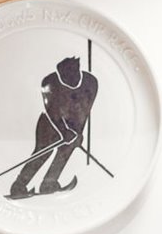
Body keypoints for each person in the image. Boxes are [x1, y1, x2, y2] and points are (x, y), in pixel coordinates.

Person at [8, 54, 99, 199]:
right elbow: (52, 111)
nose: (67, 80)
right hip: (50, 122)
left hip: (73, 123)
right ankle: (18, 186)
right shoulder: (49, 82)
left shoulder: (91, 82)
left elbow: (85, 111)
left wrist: (78, 133)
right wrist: (64, 131)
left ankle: (49, 183)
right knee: (43, 152)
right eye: (63, 77)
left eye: (70, 77)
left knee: (67, 148)